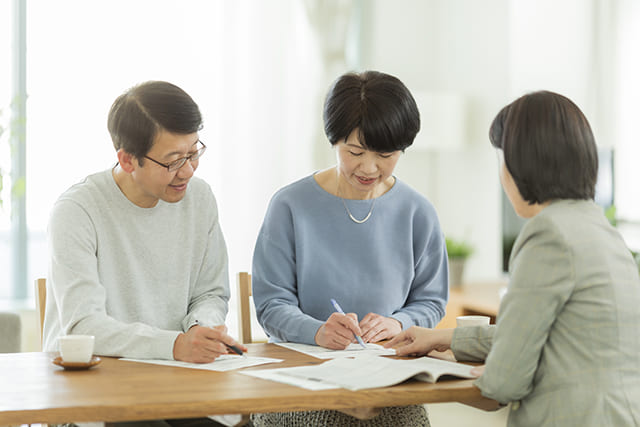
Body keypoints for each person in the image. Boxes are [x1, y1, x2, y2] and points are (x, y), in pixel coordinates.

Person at [386, 91, 640, 426]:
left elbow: (504, 382)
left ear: (523, 163)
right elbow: (545, 333)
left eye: (502, 159)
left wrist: (492, 371)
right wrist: (441, 337)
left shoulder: (549, 234)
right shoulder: (599, 229)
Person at [251, 71, 448, 426]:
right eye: (354, 152)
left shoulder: (417, 211)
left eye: (385, 155)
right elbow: (271, 303)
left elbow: (431, 301)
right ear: (333, 141)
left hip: (389, 377)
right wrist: (317, 332)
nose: (369, 168)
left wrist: (396, 323)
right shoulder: (290, 205)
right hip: (302, 376)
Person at [44, 81, 246, 426]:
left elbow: (210, 292)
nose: (188, 170)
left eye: (194, 152)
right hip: (93, 385)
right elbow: (83, 326)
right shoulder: (78, 210)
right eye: (172, 161)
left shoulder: (200, 199)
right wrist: (176, 345)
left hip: (179, 380)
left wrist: (201, 329)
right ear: (127, 159)